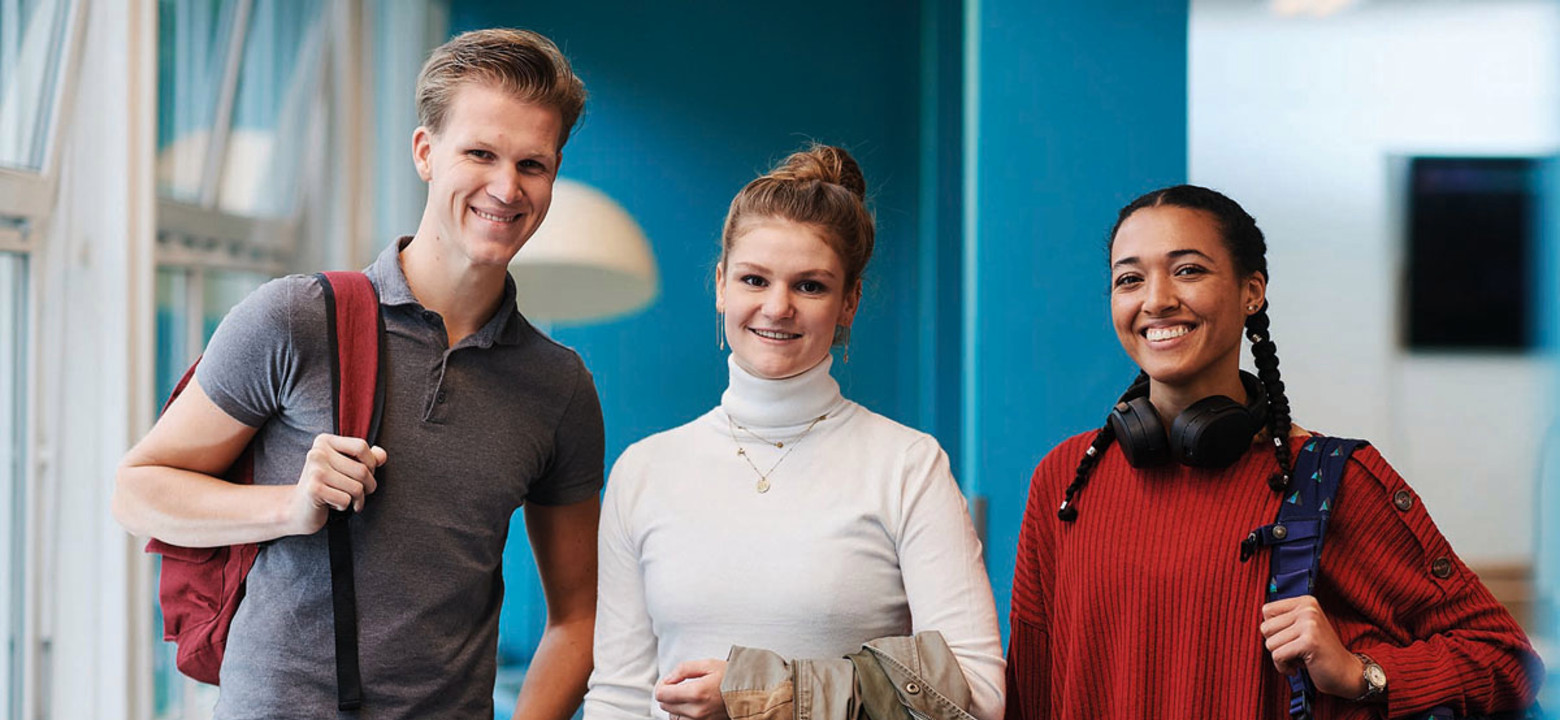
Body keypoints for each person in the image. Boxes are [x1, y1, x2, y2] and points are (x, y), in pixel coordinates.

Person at [112, 28, 604, 720]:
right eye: (480, 153)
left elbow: (575, 618)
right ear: (426, 153)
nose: (506, 186)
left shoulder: (558, 388)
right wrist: (289, 505)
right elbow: (137, 491)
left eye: (533, 164)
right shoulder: (296, 318)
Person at [1005, 184, 1543, 719]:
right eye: (1129, 279)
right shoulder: (1068, 478)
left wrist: (1362, 673)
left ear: (1252, 292)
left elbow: (1505, 659)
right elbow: (1029, 692)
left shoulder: (1332, 480)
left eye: (1188, 270)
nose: (1156, 299)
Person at [583, 145, 1005, 720]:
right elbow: (619, 696)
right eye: (754, 280)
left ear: (849, 302)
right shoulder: (643, 470)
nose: (777, 307)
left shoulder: (907, 464)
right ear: (720, 286)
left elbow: (978, 696)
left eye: (810, 286)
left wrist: (769, 692)